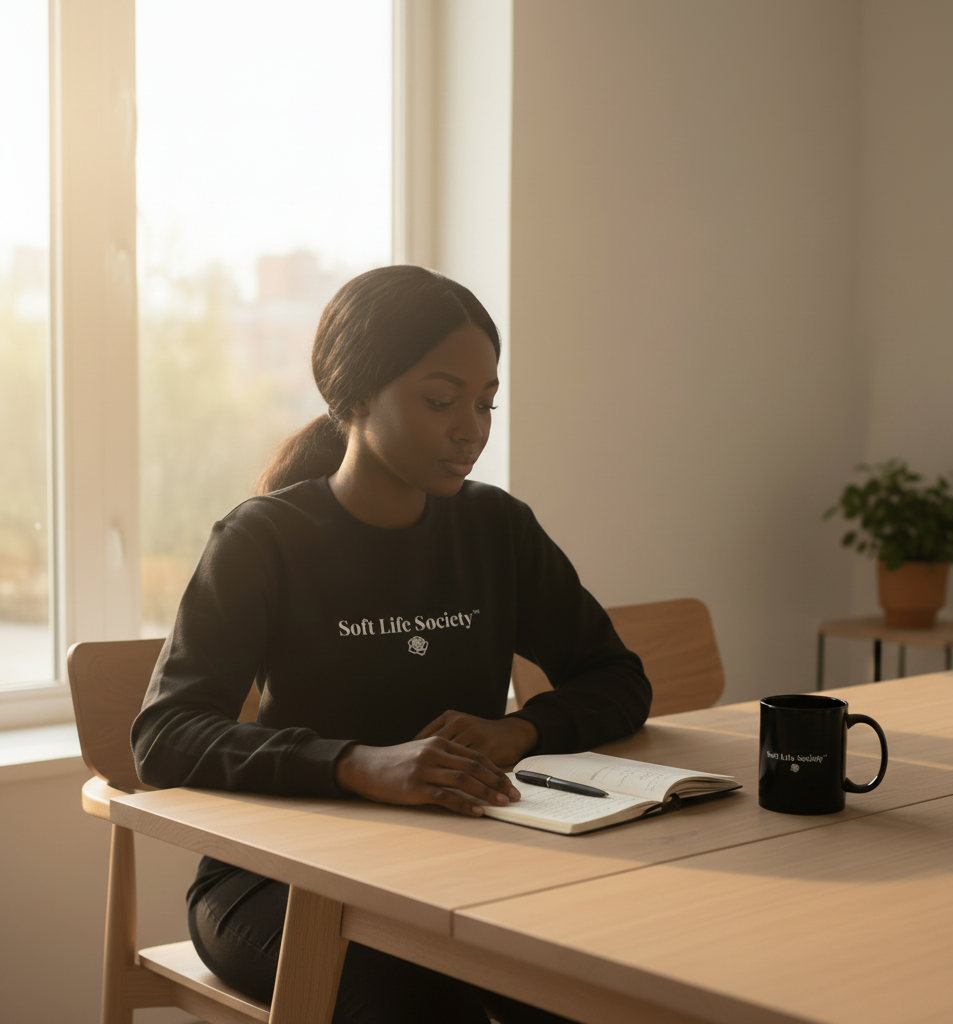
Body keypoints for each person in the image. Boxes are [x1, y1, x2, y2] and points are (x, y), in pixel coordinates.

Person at [131, 265, 652, 1024]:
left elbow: (618, 678)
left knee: (596, 989)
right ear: (358, 396)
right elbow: (163, 736)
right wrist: (357, 764)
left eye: (485, 402)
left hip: (463, 866)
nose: (471, 428)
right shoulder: (263, 539)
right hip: (280, 881)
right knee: (426, 1007)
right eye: (441, 401)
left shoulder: (497, 529)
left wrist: (521, 730)